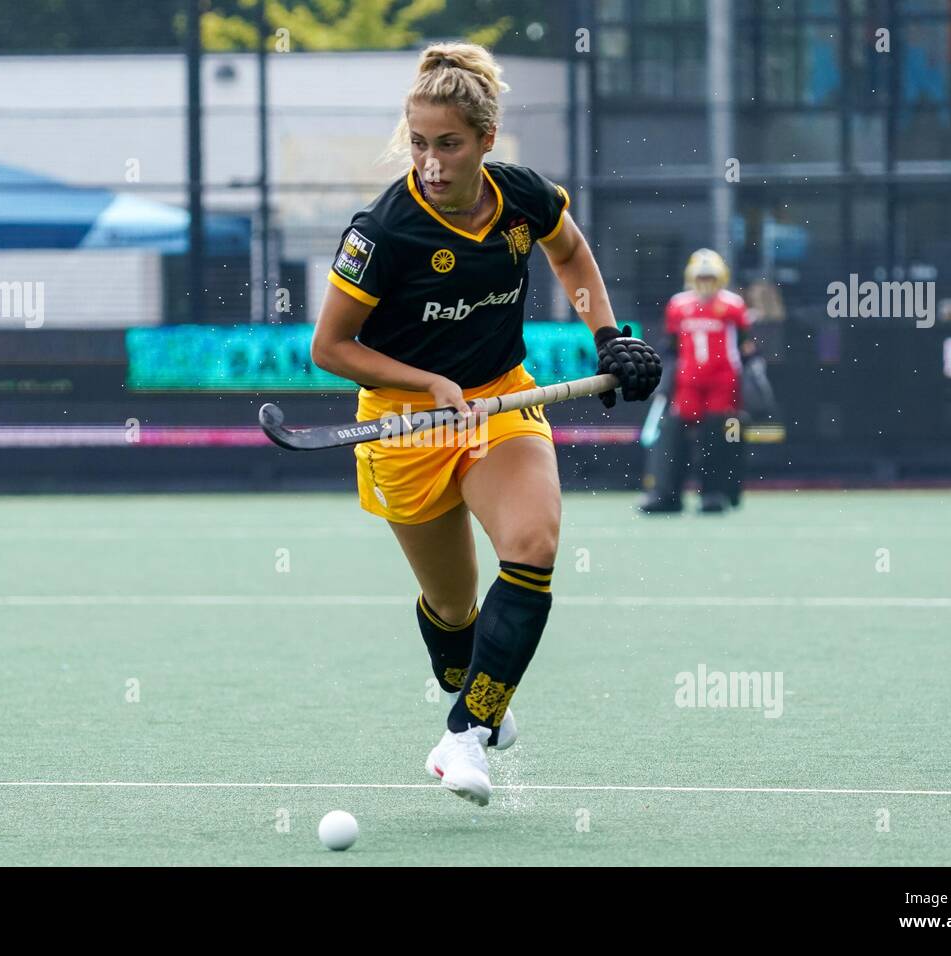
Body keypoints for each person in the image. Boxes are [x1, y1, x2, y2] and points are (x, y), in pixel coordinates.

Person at [310, 42, 660, 805]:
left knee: (531, 548)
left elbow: (571, 256)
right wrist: (428, 381)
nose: (431, 163)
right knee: (452, 611)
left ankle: (464, 736)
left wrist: (609, 336)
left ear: (486, 141)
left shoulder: (525, 197)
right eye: (420, 144)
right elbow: (330, 348)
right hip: (407, 424)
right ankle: (469, 690)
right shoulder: (385, 230)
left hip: (502, 401)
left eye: (449, 144)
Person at [638, 248, 755, 514]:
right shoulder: (678, 305)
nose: (705, 283)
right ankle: (667, 494)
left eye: (710, 277)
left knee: (717, 435)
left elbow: (746, 345)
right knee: (673, 434)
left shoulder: (733, 305)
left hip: (723, 381)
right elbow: (671, 346)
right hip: (687, 381)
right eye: (701, 277)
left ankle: (714, 493)